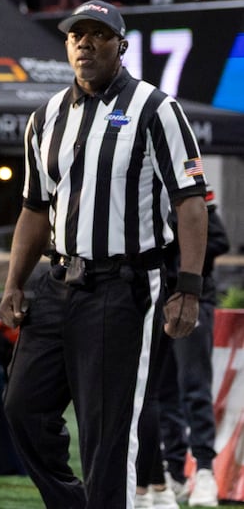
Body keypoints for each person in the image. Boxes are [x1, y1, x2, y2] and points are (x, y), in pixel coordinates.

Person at [0, 0, 209, 509]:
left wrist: (188, 288)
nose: (85, 43)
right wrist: (13, 283)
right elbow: (33, 207)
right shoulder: (45, 116)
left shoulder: (156, 108)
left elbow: (190, 203)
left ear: (121, 45)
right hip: (56, 282)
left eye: (98, 34)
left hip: (124, 284)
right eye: (77, 35)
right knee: (22, 408)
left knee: (107, 432)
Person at [157, 200, 228, 507]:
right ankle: (173, 469)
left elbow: (218, 240)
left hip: (193, 298)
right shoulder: (150, 193)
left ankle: (204, 470)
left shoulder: (192, 192)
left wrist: (176, 240)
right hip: (157, 297)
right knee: (163, 392)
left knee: (194, 385)